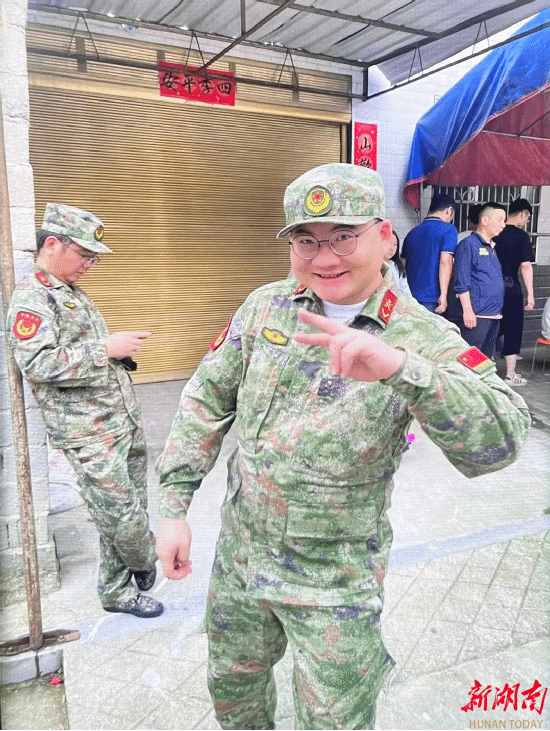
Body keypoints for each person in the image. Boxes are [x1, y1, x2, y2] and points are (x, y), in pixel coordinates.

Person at [155, 164, 530, 731]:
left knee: (335, 721)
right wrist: (173, 506)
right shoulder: (265, 308)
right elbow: (205, 401)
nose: (323, 258)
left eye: (343, 237)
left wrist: (401, 369)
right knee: (233, 694)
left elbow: (501, 441)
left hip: (335, 583)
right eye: (305, 241)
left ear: (384, 237)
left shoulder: (418, 334)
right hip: (240, 562)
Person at [6, 204, 163, 619]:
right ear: (52, 244)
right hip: (88, 432)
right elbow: (37, 363)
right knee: (120, 512)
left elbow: (79, 351)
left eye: (94, 258)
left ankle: (116, 591)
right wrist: (105, 349)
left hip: (118, 420)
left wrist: (116, 355)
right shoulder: (33, 297)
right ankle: (144, 559)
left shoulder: (70, 291)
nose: (90, 265)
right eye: (85, 255)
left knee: (130, 504)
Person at [453, 202, 507, 361]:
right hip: (477, 315)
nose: (503, 225)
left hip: (494, 315)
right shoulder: (468, 245)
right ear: (484, 220)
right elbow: (462, 282)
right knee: (471, 361)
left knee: (486, 361)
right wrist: (467, 311)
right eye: (499, 220)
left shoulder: (492, 247)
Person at [493, 198, 535, 386]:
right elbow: (525, 266)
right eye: (527, 217)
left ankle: (483, 370)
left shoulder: (494, 232)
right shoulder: (521, 237)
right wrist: (531, 295)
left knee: (490, 329)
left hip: (490, 289)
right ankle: (510, 375)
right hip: (511, 289)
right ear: (523, 213)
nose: (526, 221)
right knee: (513, 330)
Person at [401, 192, 458, 313]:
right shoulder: (449, 230)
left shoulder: (412, 232)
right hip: (432, 297)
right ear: (449, 211)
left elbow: (402, 264)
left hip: (410, 297)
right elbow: (445, 261)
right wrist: (444, 295)